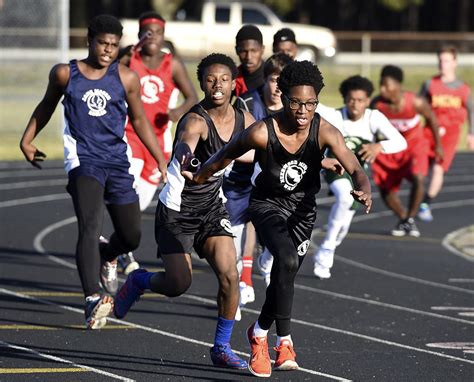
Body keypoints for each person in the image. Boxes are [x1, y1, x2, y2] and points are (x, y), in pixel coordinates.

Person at [193, 60, 372, 377]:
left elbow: (355, 166)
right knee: (286, 260)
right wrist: (199, 176)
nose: (303, 111)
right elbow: (226, 154)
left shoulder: (325, 131)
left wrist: (363, 187)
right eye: (296, 102)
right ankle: (282, 342)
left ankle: (260, 332)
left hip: (303, 212)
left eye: (310, 104)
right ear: (284, 97)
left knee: (285, 277)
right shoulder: (263, 131)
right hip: (266, 206)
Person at [19, 15, 167, 329]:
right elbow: (46, 105)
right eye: (102, 43)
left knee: (131, 235)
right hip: (83, 160)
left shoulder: (126, 78)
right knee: (90, 223)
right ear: (90, 41)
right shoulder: (65, 73)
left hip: (116, 160)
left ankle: (106, 253)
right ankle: (91, 299)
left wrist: (159, 158)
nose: (108, 50)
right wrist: (27, 138)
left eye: (114, 45)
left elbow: (139, 120)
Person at [113, 53, 255, 369]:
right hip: (176, 212)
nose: (217, 85)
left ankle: (221, 347)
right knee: (179, 284)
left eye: (223, 79)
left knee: (230, 276)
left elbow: (271, 144)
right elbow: (184, 146)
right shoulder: (195, 119)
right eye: (210, 79)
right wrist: (189, 161)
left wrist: (319, 159)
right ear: (201, 83)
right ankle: (139, 280)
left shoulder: (244, 119)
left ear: (234, 83)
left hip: (211, 208)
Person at [313, 75, 407, 279]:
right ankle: (327, 247)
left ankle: (328, 248)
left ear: (368, 100)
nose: (355, 105)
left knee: (345, 222)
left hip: (357, 175)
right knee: (345, 199)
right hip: (335, 170)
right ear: (345, 99)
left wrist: (379, 145)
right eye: (351, 99)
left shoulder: (374, 118)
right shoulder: (335, 115)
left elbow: (401, 142)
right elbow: (311, 102)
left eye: (361, 100)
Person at [230, 53, 293, 309]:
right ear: (265, 80)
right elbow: (237, 146)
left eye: (284, 82)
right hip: (242, 177)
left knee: (286, 228)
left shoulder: (296, 106)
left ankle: (262, 263)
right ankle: (241, 280)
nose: (278, 87)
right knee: (242, 227)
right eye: (274, 80)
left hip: (278, 177)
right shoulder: (246, 103)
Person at [125, 12, 198, 212]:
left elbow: (192, 97)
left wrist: (178, 111)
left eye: (158, 32)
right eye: (148, 32)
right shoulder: (130, 60)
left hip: (159, 139)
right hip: (130, 134)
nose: (153, 36)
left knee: (142, 199)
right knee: (125, 186)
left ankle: (120, 237)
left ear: (163, 35)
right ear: (140, 34)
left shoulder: (172, 64)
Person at [371, 65, 443, 237]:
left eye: (386, 86)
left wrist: (438, 145)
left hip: (413, 146)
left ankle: (410, 216)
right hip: (389, 149)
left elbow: (432, 119)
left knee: (419, 178)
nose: (382, 90)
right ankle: (405, 220)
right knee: (385, 188)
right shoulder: (377, 104)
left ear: (397, 86)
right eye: (380, 85)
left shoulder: (415, 102)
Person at [417, 45, 473, 221]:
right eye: (440, 61)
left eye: (447, 61)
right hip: (428, 132)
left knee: (438, 169)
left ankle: (425, 203)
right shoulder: (430, 85)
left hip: (450, 136)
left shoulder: (464, 89)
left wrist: (471, 134)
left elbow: (472, 111)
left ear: (455, 63)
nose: (443, 64)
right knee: (417, 168)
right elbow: (417, 106)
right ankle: (415, 197)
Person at [234, 25, 265, 97]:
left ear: (262, 50)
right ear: (236, 50)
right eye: (243, 51)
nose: (248, 57)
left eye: (254, 51)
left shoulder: (272, 77)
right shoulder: (233, 78)